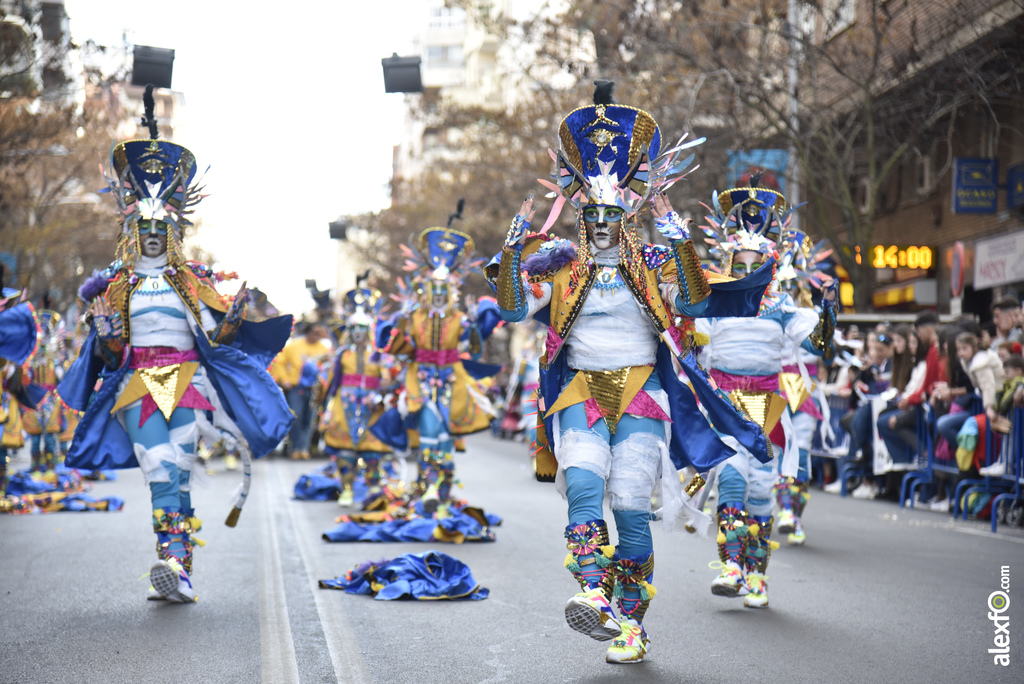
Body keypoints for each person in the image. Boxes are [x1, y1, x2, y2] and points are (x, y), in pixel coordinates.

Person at [490, 82, 773, 663]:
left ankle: (630, 623)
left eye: (610, 215)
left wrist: (677, 234)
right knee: (586, 483)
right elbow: (515, 308)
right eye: (590, 214)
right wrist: (516, 246)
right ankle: (592, 588)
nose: (598, 224)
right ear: (579, 216)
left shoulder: (654, 264)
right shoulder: (563, 270)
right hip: (581, 390)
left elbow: (693, 303)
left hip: (643, 393)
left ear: (627, 216)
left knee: (628, 508)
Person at [57, 113, 294, 603]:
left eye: (159, 227)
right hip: (138, 387)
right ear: (131, 229)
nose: (151, 235)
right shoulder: (116, 284)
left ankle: (176, 569)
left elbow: (215, 340)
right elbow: (114, 353)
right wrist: (106, 336)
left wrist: (230, 321)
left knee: (178, 477)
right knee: (160, 468)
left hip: (186, 384)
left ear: (172, 231)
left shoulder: (192, 280)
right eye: (143, 226)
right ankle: (172, 565)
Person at [697, 179, 837, 608]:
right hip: (725, 406)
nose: (746, 271)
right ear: (728, 262)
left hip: (767, 409)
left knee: (761, 493)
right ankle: (731, 566)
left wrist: (828, 309)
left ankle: (756, 576)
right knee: (732, 481)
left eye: (755, 263)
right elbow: (690, 343)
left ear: (770, 264)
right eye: (739, 264)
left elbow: (817, 344)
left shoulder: (782, 309)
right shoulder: (713, 303)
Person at [375, 224, 502, 510]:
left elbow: (473, 346)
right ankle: (429, 487)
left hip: (451, 380)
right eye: (435, 287)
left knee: (446, 435)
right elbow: (398, 348)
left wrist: (476, 322)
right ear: (427, 288)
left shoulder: (459, 317)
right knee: (429, 431)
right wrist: (401, 324)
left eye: (446, 287)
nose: (441, 293)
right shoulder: (414, 317)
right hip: (420, 380)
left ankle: (441, 491)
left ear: (453, 289)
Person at [321, 285, 393, 506]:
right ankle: (347, 490)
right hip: (345, 406)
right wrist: (326, 409)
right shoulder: (342, 355)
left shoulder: (379, 356)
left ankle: (372, 488)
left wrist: (381, 396)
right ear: (349, 330)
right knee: (345, 452)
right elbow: (331, 384)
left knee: (373, 453)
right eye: (354, 328)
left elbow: (388, 381)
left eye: (362, 327)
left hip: (372, 407)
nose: (358, 332)